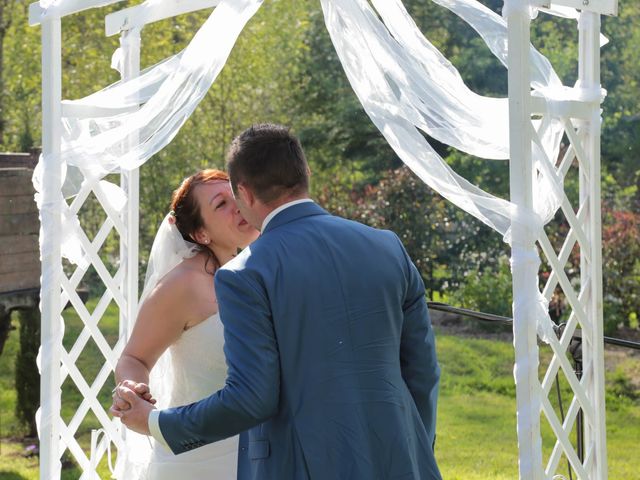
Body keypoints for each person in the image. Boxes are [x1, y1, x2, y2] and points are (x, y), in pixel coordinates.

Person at [113, 124, 442, 479]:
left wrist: (157, 423)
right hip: (400, 460)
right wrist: (413, 443)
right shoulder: (387, 246)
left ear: (245, 193)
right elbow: (422, 372)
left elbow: (253, 397)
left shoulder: (244, 274)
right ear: (305, 173)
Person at [111, 169, 259, 479]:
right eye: (221, 204)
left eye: (236, 196)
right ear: (201, 234)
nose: (237, 206)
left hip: (256, 454)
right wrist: (133, 388)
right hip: (198, 458)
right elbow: (133, 358)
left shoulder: (255, 271)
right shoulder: (183, 285)